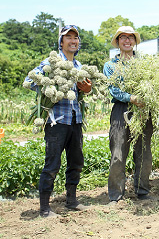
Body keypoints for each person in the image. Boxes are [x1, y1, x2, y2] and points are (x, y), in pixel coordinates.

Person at [24, 25, 92, 218]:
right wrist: (49, 86)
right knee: (52, 164)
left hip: (75, 119)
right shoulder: (51, 62)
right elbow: (30, 81)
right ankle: (45, 208)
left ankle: (72, 201)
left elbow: (85, 91)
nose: (73, 41)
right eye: (68, 37)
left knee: (76, 161)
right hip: (56, 121)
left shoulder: (78, 66)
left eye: (75, 38)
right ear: (61, 42)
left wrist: (86, 89)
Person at [104, 26, 154, 204]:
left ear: (135, 41)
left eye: (130, 37)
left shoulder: (145, 63)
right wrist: (131, 97)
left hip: (143, 111)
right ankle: (116, 194)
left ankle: (142, 190)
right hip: (121, 110)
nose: (127, 40)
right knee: (118, 152)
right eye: (122, 37)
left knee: (144, 152)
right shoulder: (110, 66)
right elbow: (113, 90)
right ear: (117, 42)